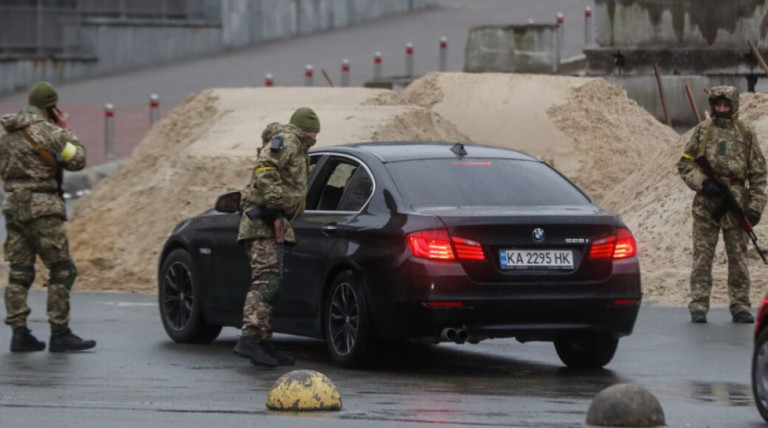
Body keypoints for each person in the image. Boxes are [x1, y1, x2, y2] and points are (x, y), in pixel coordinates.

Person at [0, 81, 96, 351]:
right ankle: (60, 332)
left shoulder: (5, 132)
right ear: (50, 108)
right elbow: (77, 159)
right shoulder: (51, 133)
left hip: (13, 206)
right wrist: (67, 129)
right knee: (62, 269)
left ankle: (19, 333)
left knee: (19, 271)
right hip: (43, 208)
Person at [233, 107, 319, 366]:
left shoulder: (297, 146)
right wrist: (273, 205)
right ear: (307, 130)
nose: (315, 138)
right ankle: (249, 338)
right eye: (314, 134)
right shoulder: (289, 140)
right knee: (266, 281)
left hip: (274, 222)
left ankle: (263, 341)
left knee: (272, 283)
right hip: (263, 223)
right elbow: (264, 167)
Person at [677, 86, 767, 324]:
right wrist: (703, 182)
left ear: (733, 106)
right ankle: (699, 304)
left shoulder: (745, 132)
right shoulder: (702, 131)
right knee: (702, 257)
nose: (722, 109)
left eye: (726, 105)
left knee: (738, 258)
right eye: (718, 105)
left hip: (736, 204)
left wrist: (756, 207)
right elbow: (685, 163)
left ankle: (740, 305)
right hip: (706, 205)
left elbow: (758, 174)